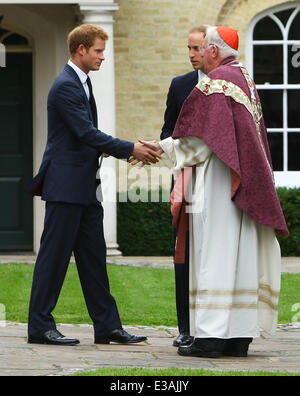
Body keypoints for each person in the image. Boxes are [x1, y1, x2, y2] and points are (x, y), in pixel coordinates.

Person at [138, 26, 289, 358]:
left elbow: (199, 142)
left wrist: (159, 149)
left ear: (216, 51)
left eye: (203, 47)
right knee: (240, 257)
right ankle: (237, 337)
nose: (198, 53)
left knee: (216, 255)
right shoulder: (244, 80)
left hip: (221, 185)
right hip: (243, 185)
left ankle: (210, 338)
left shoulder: (216, 82)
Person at [26, 24, 160, 346]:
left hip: (85, 187)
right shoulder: (66, 86)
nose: (103, 57)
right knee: (53, 258)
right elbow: (86, 133)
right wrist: (131, 149)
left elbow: (86, 138)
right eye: (98, 51)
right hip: (65, 187)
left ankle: (107, 326)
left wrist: (125, 150)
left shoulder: (81, 83)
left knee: (94, 258)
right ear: (81, 50)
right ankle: (40, 327)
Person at [161, 26, 206, 348]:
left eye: (196, 48)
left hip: (220, 184)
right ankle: (185, 327)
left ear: (212, 49)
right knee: (185, 255)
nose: (191, 55)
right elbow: (169, 131)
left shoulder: (232, 85)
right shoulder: (180, 85)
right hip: (188, 181)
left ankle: (213, 325)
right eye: (188, 48)